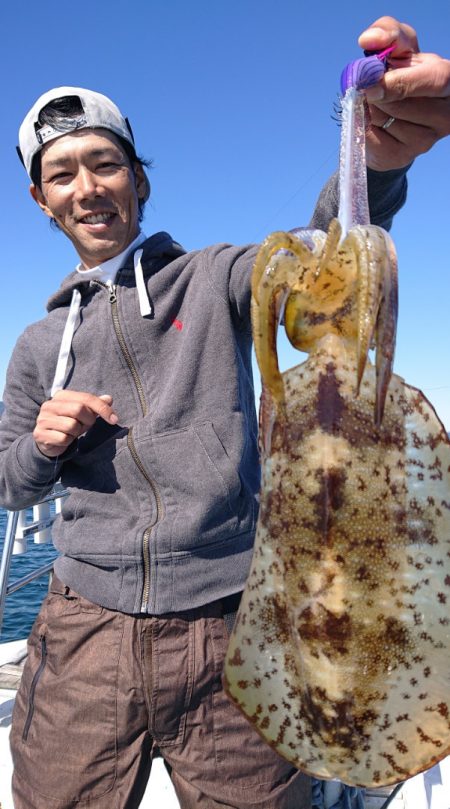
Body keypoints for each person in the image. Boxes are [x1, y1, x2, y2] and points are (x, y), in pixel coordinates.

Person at [0, 14, 449, 809]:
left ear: (139, 180)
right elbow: (10, 483)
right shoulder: (39, 343)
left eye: (104, 164)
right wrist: (39, 447)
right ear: (41, 200)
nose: (87, 186)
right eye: (62, 173)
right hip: (82, 635)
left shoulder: (214, 279)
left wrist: (373, 162)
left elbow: (320, 266)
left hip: (229, 627)